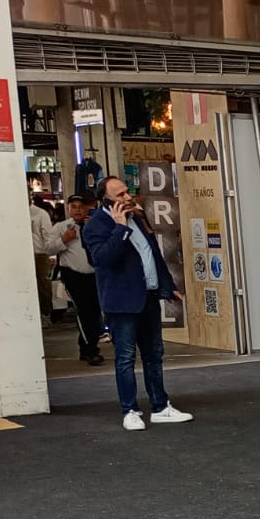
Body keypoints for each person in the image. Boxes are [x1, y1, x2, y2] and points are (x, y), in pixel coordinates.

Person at [82, 176, 192, 431]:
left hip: (149, 296)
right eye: (120, 195)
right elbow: (102, 259)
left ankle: (160, 406)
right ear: (106, 200)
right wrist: (120, 228)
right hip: (121, 302)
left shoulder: (138, 218)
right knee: (125, 357)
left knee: (154, 354)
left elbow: (152, 253)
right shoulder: (95, 226)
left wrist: (167, 285)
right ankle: (130, 410)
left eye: (127, 191)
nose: (127, 197)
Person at [38, 194, 103, 365]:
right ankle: (90, 349)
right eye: (74, 207)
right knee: (84, 310)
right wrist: (64, 239)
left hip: (95, 275)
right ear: (68, 209)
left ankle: (87, 345)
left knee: (96, 311)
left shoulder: (95, 224)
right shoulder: (61, 227)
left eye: (81, 206)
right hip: (74, 275)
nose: (78, 210)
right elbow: (48, 248)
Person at [27, 192, 58, 320]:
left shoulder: (40, 213)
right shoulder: (13, 213)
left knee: (43, 285)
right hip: (22, 255)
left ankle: (46, 313)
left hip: (39, 254)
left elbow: (48, 235)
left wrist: (53, 255)